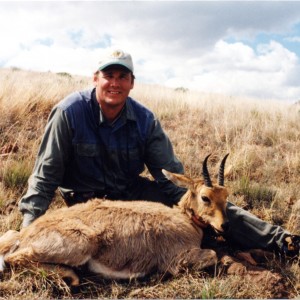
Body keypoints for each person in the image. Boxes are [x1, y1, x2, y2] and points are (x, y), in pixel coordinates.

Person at [19, 49, 299, 258]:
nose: (114, 83)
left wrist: (200, 203)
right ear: (95, 78)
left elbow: (169, 180)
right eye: (108, 76)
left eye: (122, 77)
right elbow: (45, 178)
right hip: (84, 202)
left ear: (132, 83)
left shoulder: (145, 120)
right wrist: (28, 231)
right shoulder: (69, 113)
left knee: (203, 201)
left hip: (130, 194)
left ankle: (283, 242)